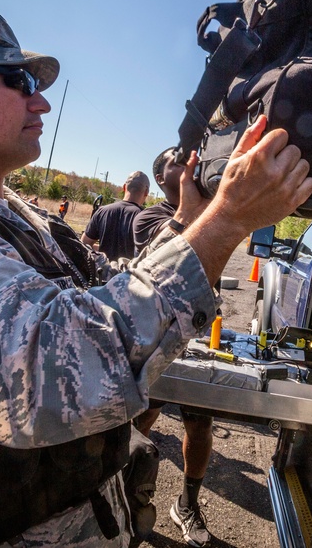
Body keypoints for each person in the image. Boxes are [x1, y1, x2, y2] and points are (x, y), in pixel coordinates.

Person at [0, 0, 312, 548]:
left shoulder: (17, 214)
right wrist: (226, 223)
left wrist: (191, 219)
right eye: (18, 81)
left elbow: (109, 289)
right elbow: (49, 373)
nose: (40, 101)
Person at [132, 148, 214, 546]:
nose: (188, 164)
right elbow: (168, 258)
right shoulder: (150, 217)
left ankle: (187, 504)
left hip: (194, 340)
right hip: (154, 339)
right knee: (140, 420)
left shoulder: (206, 209)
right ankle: (125, 493)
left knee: (199, 425)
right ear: (162, 177)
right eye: (177, 160)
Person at [81, 171, 149, 261]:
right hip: (128, 274)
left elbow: (84, 244)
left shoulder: (102, 211)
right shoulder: (146, 218)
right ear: (146, 192)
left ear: (124, 187)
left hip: (103, 272)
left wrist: (102, 249)